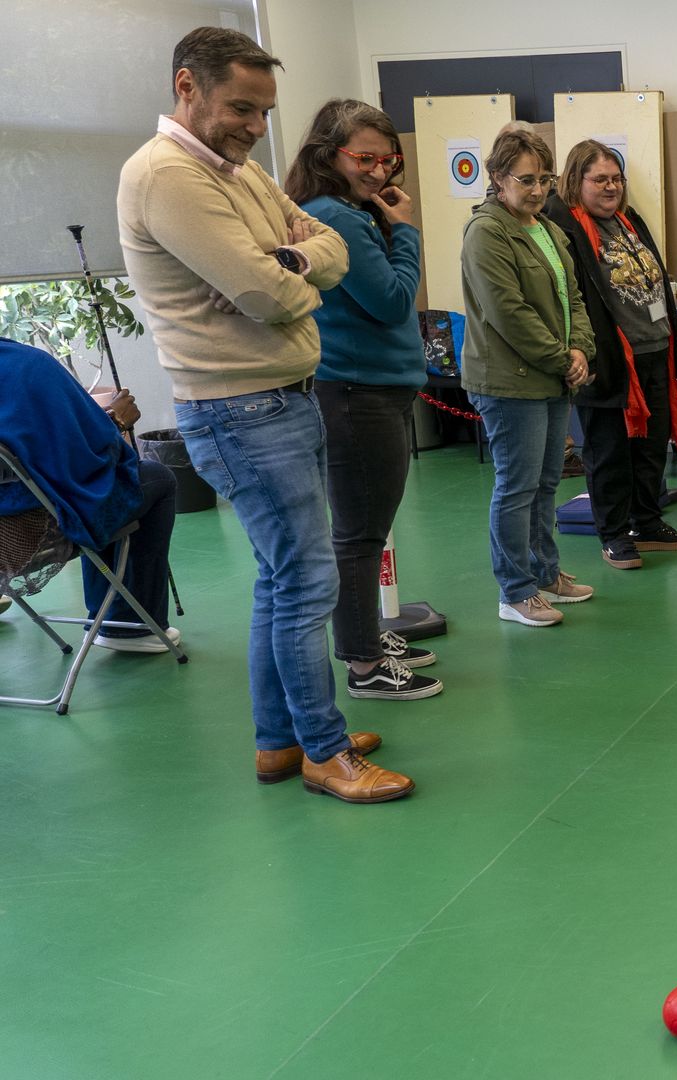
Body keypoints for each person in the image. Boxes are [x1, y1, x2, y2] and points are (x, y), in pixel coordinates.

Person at [117, 27, 408, 802]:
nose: (253, 126)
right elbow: (265, 296)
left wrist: (292, 260)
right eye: (240, 107)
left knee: (283, 583)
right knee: (307, 582)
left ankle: (279, 743)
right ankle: (323, 750)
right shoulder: (168, 177)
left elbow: (323, 248)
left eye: (263, 112)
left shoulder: (237, 172)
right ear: (188, 87)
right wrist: (283, 274)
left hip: (283, 398)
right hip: (239, 411)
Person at [285, 98, 442, 702]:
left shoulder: (346, 210)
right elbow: (395, 301)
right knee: (358, 534)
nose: (379, 171)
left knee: (364, 528)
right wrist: (406, 233)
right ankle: (365, 665)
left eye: (388, 159)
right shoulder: (340, 218)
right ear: (331, 155)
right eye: (365, 158)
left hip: (368, 390)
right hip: (357, 393)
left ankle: (367, 636)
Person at [460, 128, 596, 627]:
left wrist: (580, 347)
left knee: (545, 483)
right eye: (526, 179)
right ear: (497, 178)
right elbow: (509, 312)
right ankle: (515, 591)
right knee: (516, 487)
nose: (538, 190)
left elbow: (573, 298)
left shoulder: (547, 229)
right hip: (510, 380)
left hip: (553, 374)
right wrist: (564, 359)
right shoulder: (487, 233)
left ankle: (546, 575)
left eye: (546, 179)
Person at [547, 139, 677, 572]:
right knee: (609, 450)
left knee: (651, 445)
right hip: (609, 359)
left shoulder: (630, 219)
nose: (611, 187)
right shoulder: (564, 225)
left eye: (616, 179)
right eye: (600, 179)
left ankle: (647, 522)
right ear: (577, 180)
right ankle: (613, 535)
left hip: (654, 351)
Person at [0, 339, 179, 653]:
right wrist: (116, 420)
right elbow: (83, 458)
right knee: (150, 478)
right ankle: (127, 627)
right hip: (27, 538)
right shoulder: (25, 366)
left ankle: (114, 620)